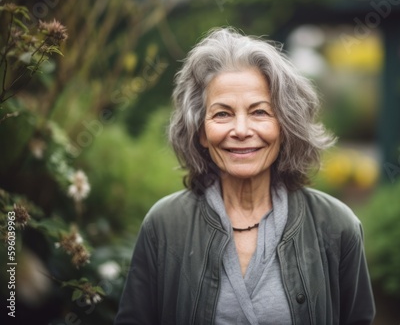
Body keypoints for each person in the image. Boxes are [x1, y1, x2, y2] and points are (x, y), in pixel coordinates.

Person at [115, 27, 375, 325]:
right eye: (222, 114)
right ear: (201, 131)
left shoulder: (337, 227)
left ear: (285, 126)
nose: (240, 130)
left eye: (259, 112)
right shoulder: (164, 225)